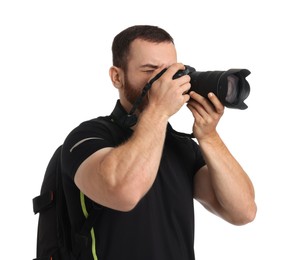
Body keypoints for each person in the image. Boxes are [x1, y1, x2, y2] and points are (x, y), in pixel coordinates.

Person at [61, 25, 257, 260]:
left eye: (171, 71)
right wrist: (159, 110)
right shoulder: (87, 137)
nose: (164, 81)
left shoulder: (182, 147)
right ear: (117, 77)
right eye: (150, 70)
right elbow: (125, 193)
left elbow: (243, 211)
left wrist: (209, 136)